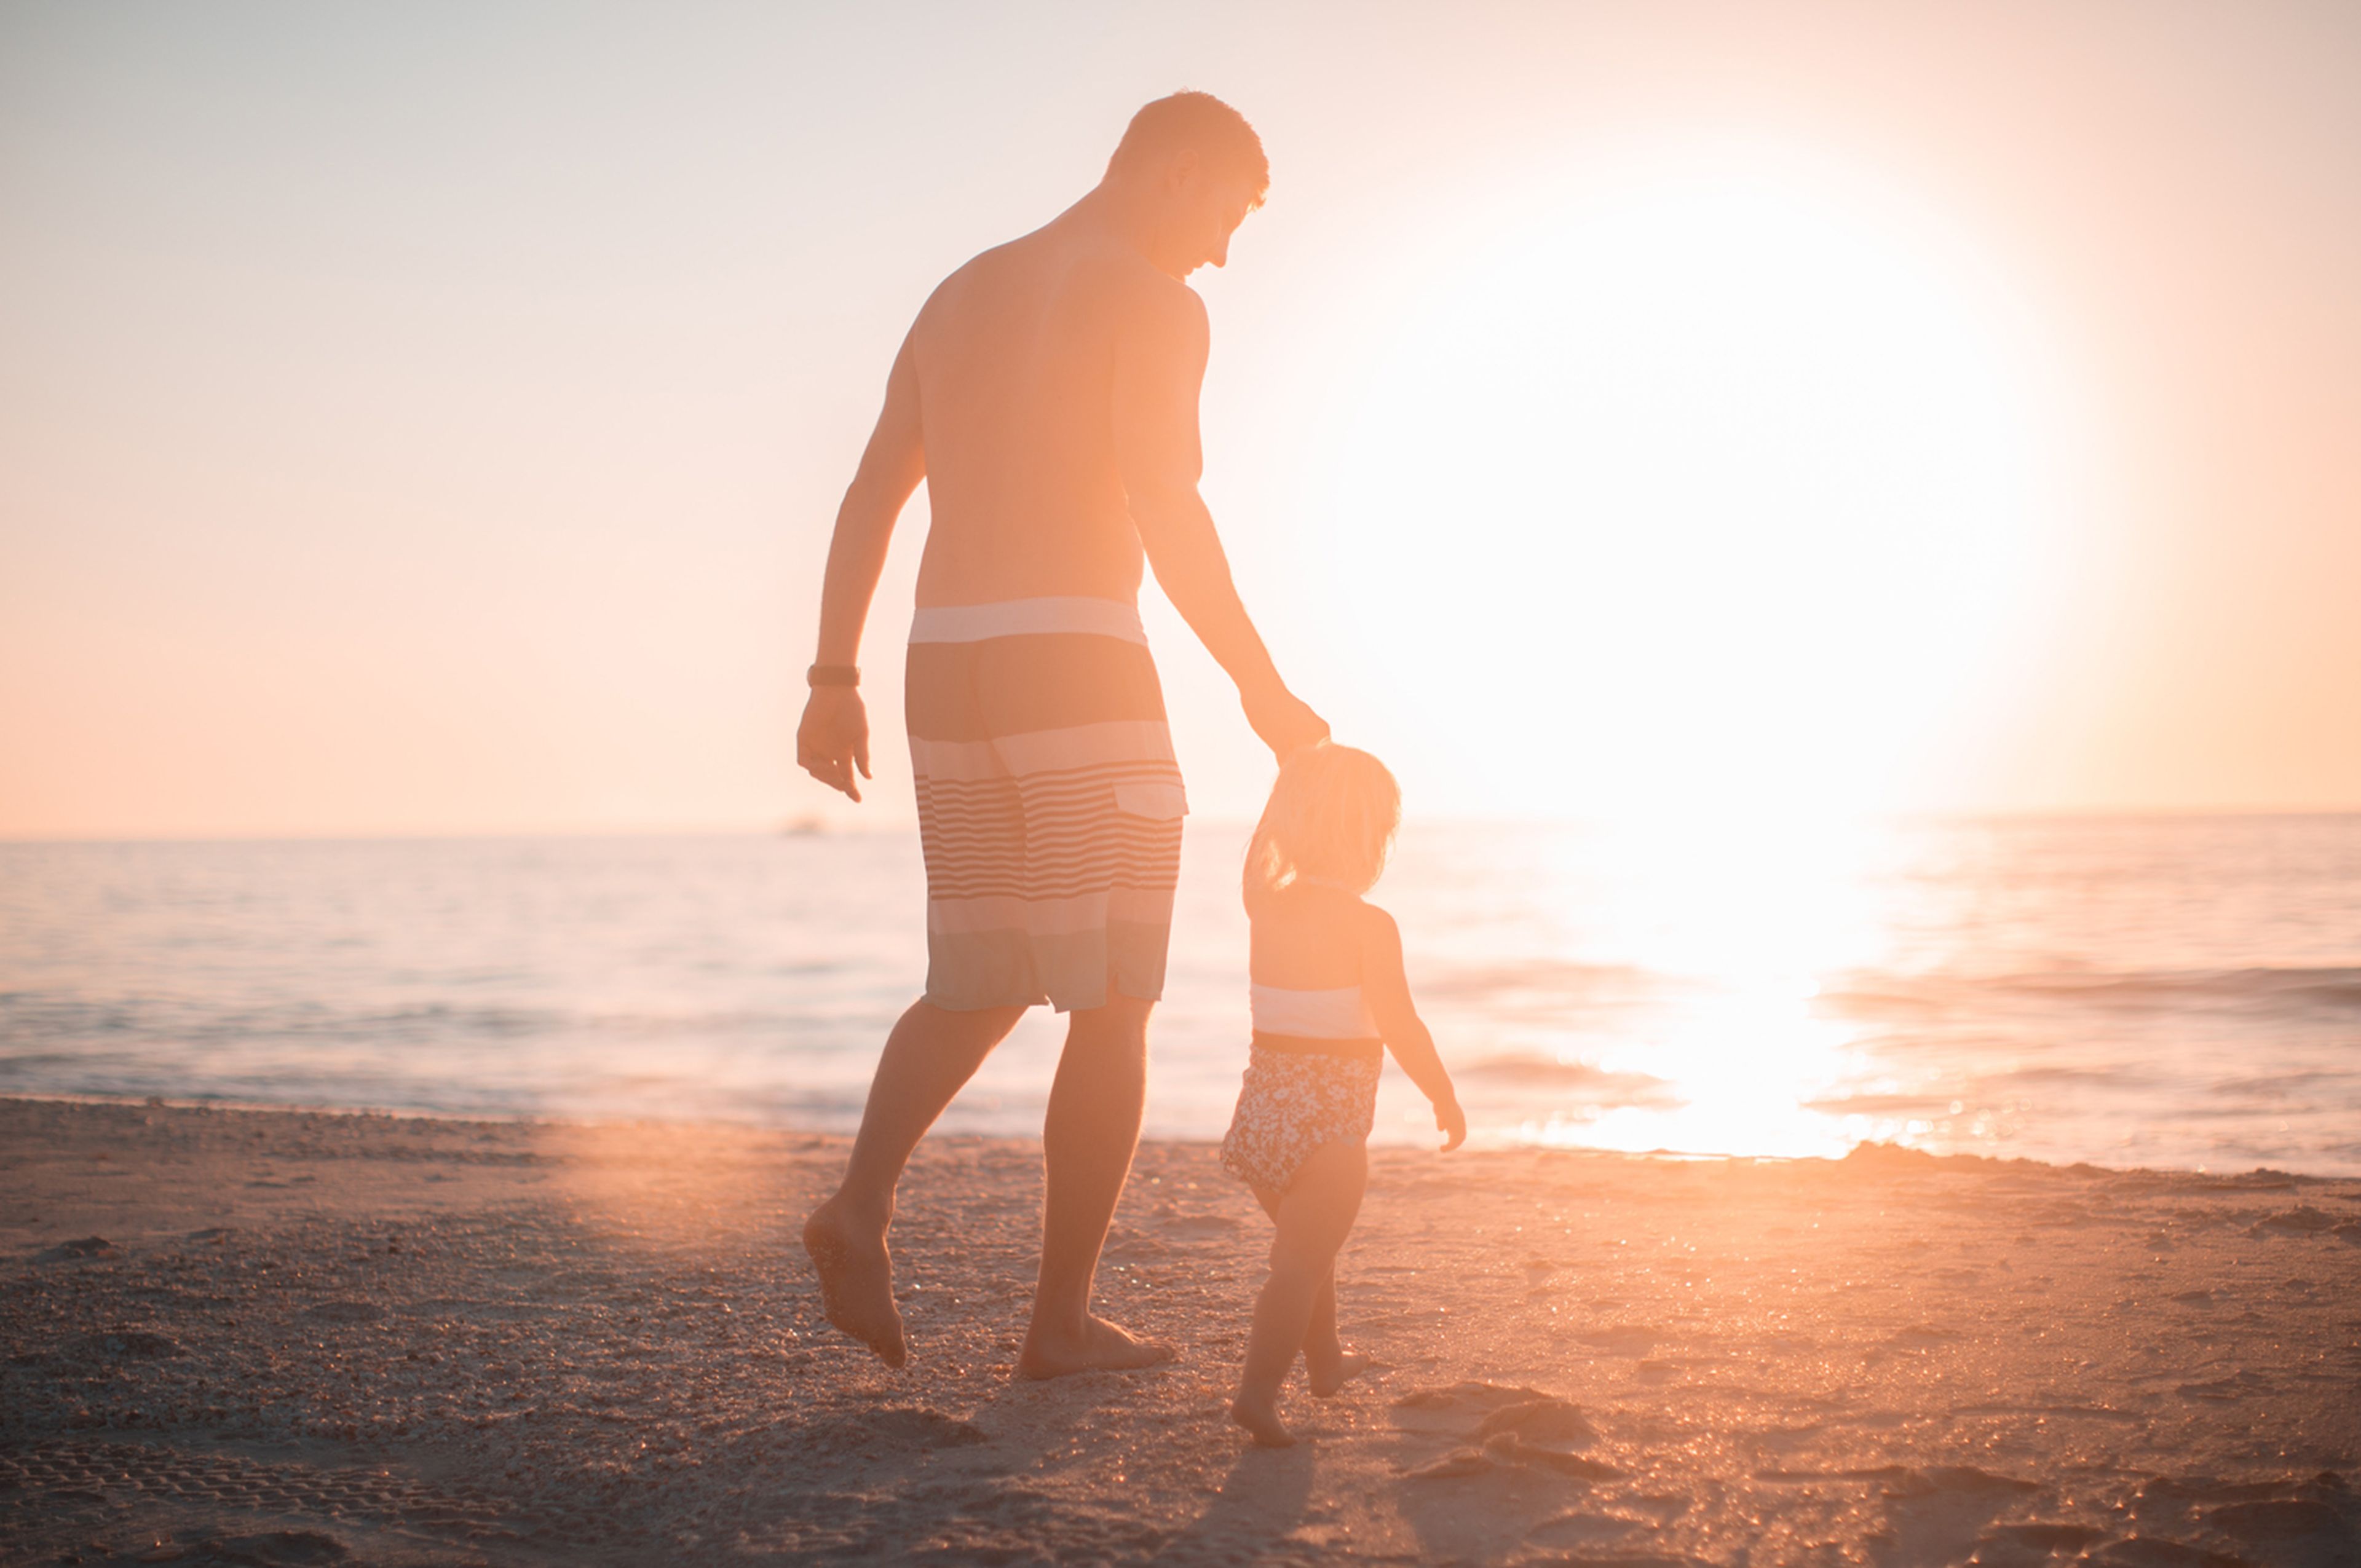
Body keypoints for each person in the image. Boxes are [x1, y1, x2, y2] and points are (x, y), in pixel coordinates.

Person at [794, 92, 1329, 1378]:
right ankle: (1058, 1326)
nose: (1220, 252)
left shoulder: (962, 291)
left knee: (979, 978)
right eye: (1227, 214)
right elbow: (1167, 504)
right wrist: (1261, 686)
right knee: (1114, 996)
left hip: (944, 663)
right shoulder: (1152, 301)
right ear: (1177, 172)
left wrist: (830, 675)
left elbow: (876, 486)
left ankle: (859, 1204)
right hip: (1077, 659)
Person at [1219, 743, 1464, 1446]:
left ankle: (1324, 1362)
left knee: (1308, 1247)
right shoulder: (1369, 925)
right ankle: (1257, 1394)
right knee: (1298, 1264)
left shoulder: (1265, 905)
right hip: (1329, 1125)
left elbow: (1260, 845)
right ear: (1372, 841)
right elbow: (1401, 1024)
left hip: (1262, 1119)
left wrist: (1287, 778)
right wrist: (1442, 1095)